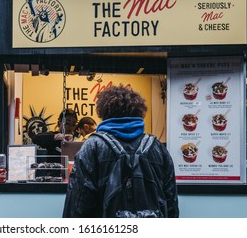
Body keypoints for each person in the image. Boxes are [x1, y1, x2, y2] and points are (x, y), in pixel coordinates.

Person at [63, 85, 179, 218]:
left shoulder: (93, 146)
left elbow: (78, 204)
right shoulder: (157, 147)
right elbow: (171, 203)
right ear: (139, 112)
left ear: (104, 113)